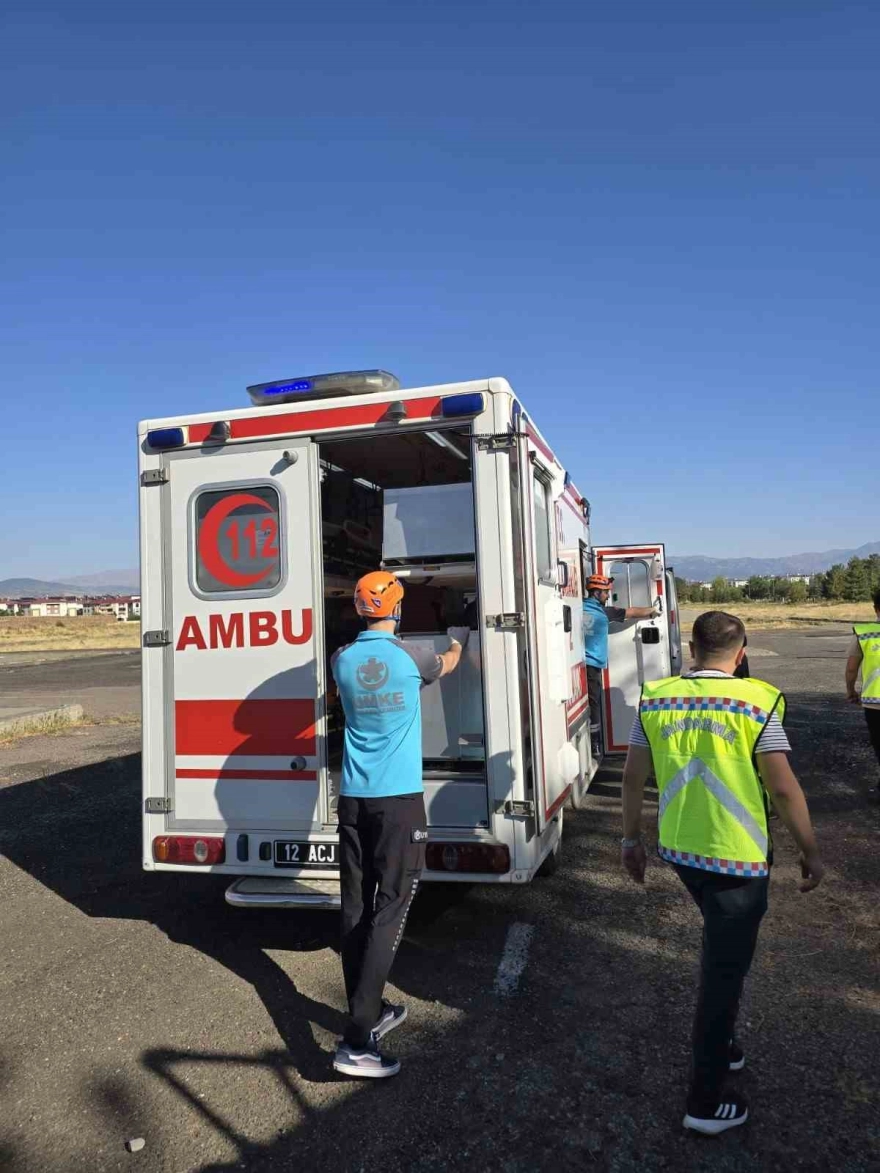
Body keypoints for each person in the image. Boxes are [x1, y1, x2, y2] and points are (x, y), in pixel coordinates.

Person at [619, 610, 824, 1135]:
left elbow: (634, 775)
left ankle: (724, 1044)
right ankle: (704, 1102)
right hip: (737, 858)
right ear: (741, 650)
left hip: (683, 852)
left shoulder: (657, 696)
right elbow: (781, 788)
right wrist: (811, 852)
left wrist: (630, 839)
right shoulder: (757, 699)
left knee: (722, 952)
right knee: (722, 976)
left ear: (691, 648)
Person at [330, 570, 469, 1079]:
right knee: (390, 908)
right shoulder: (413, 659)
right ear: (397, 608)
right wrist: (460, 639)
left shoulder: (341, 660)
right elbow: (447, 664)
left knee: (354, 907)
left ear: (359, 609)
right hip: (398, 802)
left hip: (353, 801)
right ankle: (357, 1040)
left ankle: (369, 1009)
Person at [582, 574, 658, 755]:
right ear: (597, 592)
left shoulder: (578, 607)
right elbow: (631, 612)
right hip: (592, 665)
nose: (608, 596)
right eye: (606, 593)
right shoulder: (603, 612)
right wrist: (653, 609)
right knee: (594, 704)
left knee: (588, 704)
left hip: (579, 663)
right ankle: (595, 743)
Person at [845, 587, 880, 791]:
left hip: (875, 703)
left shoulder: (865, 634)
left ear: (876, 609)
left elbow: (851, 669)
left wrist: (851, 691)